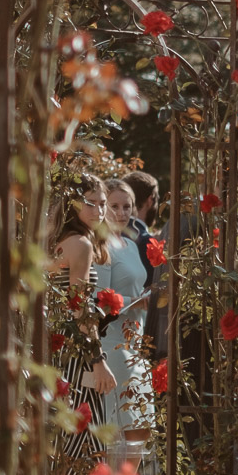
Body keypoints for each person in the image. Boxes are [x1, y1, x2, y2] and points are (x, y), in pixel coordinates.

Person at [51, 179, 120, 475]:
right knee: (83, 436)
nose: (100, 210)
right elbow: (79, 309)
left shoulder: (60, 241)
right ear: (73, 204)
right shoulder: (79, 245)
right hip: (75, 354)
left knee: (68, 437)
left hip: (56, 349)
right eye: (91, 203)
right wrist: (98, 360)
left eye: (103, 203)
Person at [96, 178, 151, 442]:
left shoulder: (129, 245)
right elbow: (99, 300)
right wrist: (135, 300)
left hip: (136, 342)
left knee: (142, 428)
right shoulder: (101, 246)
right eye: (114, 206)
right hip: (114, 345)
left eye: (127, 207)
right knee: (128, 428)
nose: (121, 213)